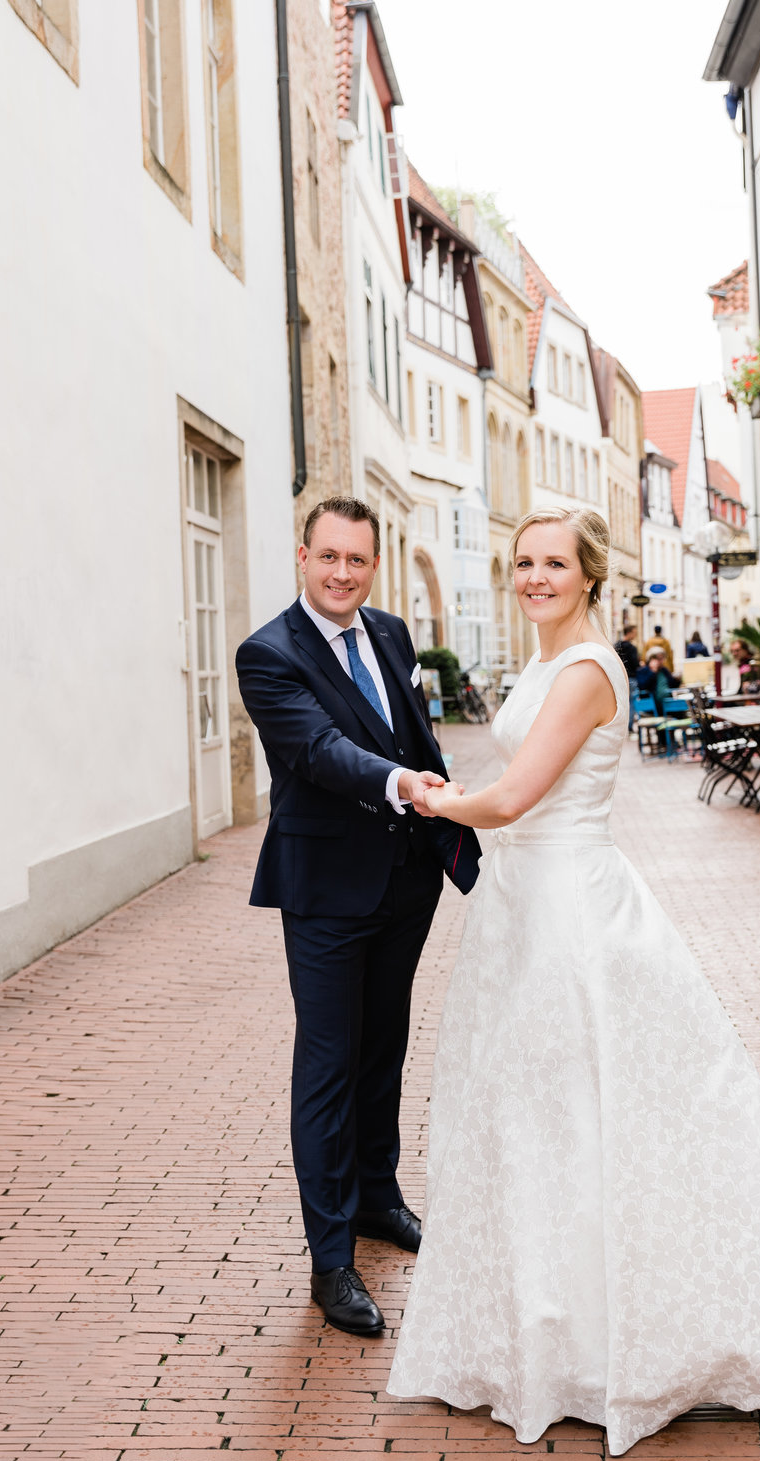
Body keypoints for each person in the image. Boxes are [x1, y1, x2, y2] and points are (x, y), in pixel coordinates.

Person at [386, 504, 760, 1454]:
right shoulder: (546, 664)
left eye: (553, 564)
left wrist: (430, 798)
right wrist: (450, 790)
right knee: (536, 1118)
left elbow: (510, 797)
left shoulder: (586, 671)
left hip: (573, 916)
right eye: (522, 562)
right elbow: (505, 782)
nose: (534, 576)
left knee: (588, 1115)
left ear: (588, 576)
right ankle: (548, 1334)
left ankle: (613, 1348)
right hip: (523, 910)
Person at [235, 495, 481, 1337]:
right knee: (330, 1067)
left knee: (385, 1051)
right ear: (302, 556)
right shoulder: (268, 655)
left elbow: (417, 733)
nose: (344, 574)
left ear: (375, 564)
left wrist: (449, 812)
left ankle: (379, 1197)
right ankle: (332, 1259)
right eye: (329, 557)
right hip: (326, 893)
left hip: (405, 882)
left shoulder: (391, 633)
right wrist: (403, 785)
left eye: (359, 560)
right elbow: (319, 752)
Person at [635, 646, 681, 713]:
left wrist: (677, 680)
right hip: (652, 705)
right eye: (658, 659)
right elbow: (642, 686)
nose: (661, 661)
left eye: (662, 658)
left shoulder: (664, 670)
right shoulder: (643, 671)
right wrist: (653, 672)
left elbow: (672, 685)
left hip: (667, 702)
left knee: (682, 708)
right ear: (651, 659)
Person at [613, 624, 640, 733]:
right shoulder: (632, 648)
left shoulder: (616, 646)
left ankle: (621, 726)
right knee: (632, 701)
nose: (635, 634)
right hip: (631, 677)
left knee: (621, 702)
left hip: (619, 677)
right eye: (634, 632)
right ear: (629, 633)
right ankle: (629, 726)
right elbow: (635, 664)